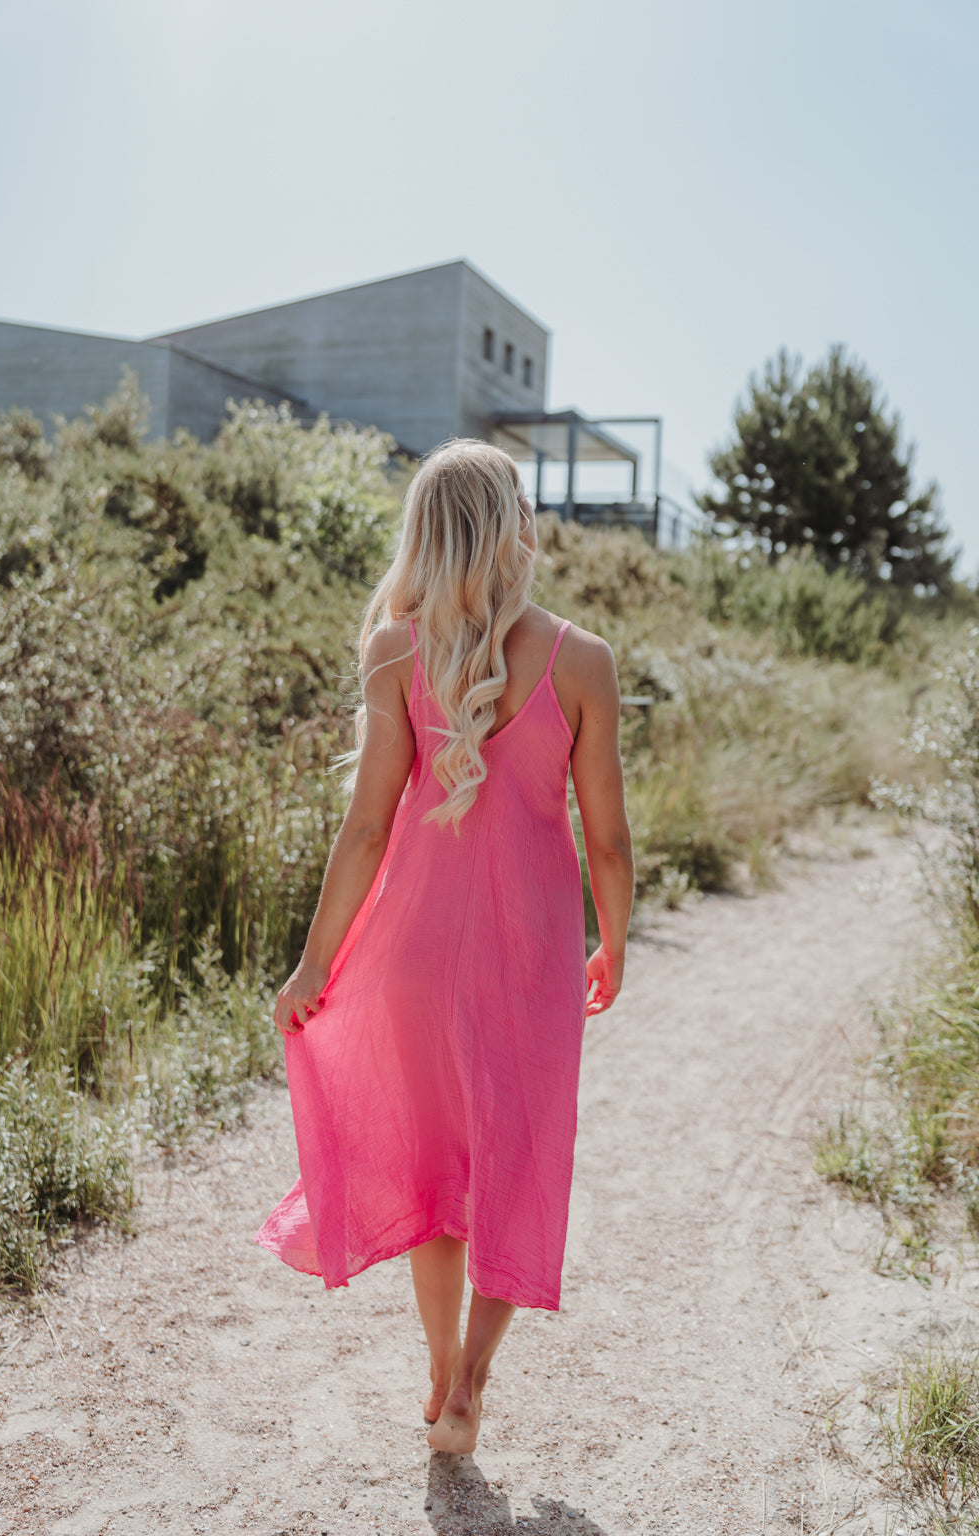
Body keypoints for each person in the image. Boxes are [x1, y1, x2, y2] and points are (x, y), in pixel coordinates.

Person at [255, 439, 634, 1454]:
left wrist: (313, 964)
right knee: (513, 1161)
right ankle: (468, 1382)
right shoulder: (581, 660)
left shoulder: (394, 649)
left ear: (427, 531)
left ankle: (434, 1368)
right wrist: (617, 941)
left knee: (435, 1178)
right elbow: (606, 835)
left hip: (416, 953)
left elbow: (368, 826)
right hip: (529, 959)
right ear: (514, 528)